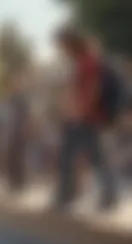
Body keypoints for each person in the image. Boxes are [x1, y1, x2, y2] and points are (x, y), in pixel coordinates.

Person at [54, 26, 118, 210]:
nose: (60, 49)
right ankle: (106, 197)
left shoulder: (86, 62)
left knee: (73, 156)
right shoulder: (82, 61)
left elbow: (93, 89)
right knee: (94, 157)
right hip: (86, 117)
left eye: (62, 45)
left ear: (70, 43)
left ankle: (67, 195)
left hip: (87, 118)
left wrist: (80, 112)